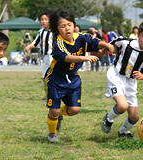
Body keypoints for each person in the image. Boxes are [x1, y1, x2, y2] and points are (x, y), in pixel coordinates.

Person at [46, 8, 114, 143]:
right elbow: (66, 57)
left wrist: (107, 45)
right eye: (63, 26)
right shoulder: (58, 43)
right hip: (55, 79)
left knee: (75, 109)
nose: (67, 29)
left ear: (74, 25)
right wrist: (84, 58)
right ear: (56, 29)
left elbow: (95, 42)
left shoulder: (81, 37)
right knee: (53, 111)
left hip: (73, 78)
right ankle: (52, 134)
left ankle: (59, 114)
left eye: (69, 25)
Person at [101, 21, 143, 140]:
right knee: (122, 106)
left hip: (131, 83)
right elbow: (113, 44)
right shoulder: (127, 42)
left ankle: (123, 132)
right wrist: (109, 51)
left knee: (134, 116)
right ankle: (108, 118)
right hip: (116, 76)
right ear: (138, 35)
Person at [25, 12, 53, 99]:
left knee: (55, 77)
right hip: (45, 57)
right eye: (42, 19)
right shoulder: (41, 31)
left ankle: (57, 95)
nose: (43, 21)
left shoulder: (55, 31)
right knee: (44, 77)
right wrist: (29, 46)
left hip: (53, 57)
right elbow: (36, 42)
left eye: (46, 19)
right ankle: (48, 95)